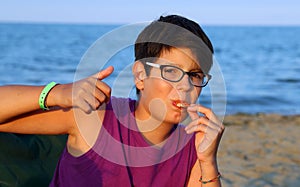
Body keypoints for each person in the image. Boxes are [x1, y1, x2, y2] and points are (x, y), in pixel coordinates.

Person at [0, 14, 225, 186]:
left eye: (195, 75)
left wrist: (208, 162)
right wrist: (56, 93)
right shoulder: (98, 116)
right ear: (140, 76)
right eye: (171, 71)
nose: (186, 86)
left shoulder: (193, 148)